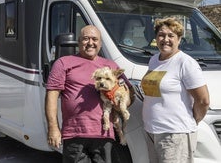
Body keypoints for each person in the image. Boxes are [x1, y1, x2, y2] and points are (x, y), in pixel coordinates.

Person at [45, 25, 133, 163]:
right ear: (79, 42)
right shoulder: (63, 63)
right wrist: (53, 128)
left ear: (100, 43)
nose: (90, 43)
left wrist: (121, 103)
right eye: (86, 39)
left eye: (94, 39)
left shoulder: (111, 66)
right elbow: (51, 96)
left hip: (104, 134)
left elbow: (129, 92)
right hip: (74, 133)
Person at [141, 17, 210, 163]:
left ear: (179, 39)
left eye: (171, 35)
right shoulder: (154, 60)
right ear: (156, 38)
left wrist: (193, 120)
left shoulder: (185, 63)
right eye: (161, 35)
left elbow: (203, 101)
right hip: (152, 131)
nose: (165, 39)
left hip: (175, 134)